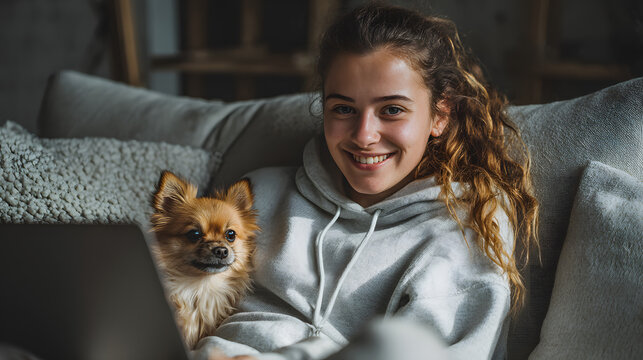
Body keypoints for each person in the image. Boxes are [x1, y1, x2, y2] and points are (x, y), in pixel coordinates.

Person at [195, 3, 538, 360]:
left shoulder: (467, 224)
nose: (363, 135)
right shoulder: (257, 196)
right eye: (343, 109)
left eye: (391, 110)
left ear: (440, 114)